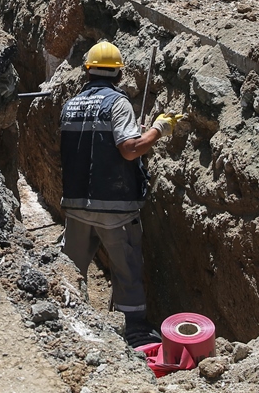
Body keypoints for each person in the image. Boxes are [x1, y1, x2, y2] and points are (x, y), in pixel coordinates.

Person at [60, 40, 181, 348]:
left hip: (76, 204)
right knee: (126, 269)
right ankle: (135, 331)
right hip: (114, 207)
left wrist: (134, 133)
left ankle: (68, 320)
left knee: (70, 268)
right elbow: (129, 150)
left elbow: (89, 146)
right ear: (119, 74)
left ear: (87, 71)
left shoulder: (70, 105)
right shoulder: (118, 103)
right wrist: (156, 131)